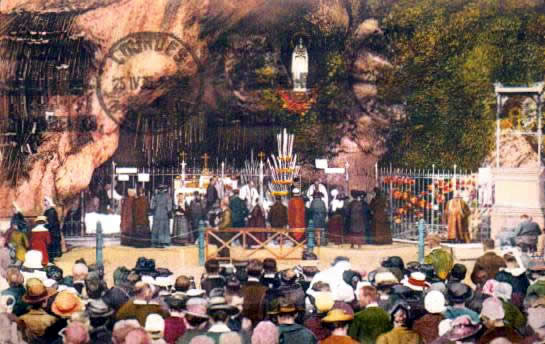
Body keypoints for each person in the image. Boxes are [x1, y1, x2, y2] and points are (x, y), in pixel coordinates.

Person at [43, 196, 62, 261]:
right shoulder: (46, 211)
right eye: (44, 201)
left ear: (49, 202)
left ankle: (52, 258)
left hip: (53, 231)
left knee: (52, 244)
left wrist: (45, 226)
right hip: (49, 230)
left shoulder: (51, 211)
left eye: (46, 201)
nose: (45, 203)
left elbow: (51, 223)